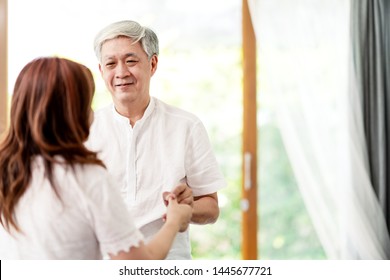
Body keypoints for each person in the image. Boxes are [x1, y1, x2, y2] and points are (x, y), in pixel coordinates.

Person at [0, 57, 192, 260]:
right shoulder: (87, 178)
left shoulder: (6, 169)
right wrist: (174, 222)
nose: (92, 113)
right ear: (73, 113)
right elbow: (138, 265)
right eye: (86, 104)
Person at [86, 20, 226, 259]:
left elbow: (211, 208)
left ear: (153, 64)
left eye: (131, 61)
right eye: (111, 63)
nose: (121, 72)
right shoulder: (84, 131)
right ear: (101, 71)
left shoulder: (186, 126)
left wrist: (185, 209)